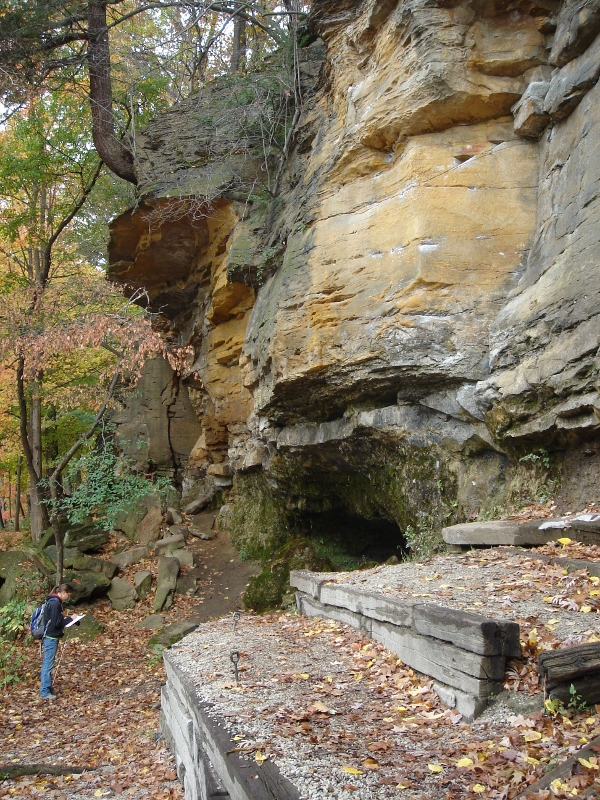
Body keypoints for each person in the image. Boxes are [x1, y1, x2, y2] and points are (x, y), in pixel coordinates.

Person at [39, 583, 79, 700]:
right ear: (64, 592)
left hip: (50, 636)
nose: (68, 598)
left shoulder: (52, 601)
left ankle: (47, 688)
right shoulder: (55, 603)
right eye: (69, 595)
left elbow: (56, 620)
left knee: (48, 663)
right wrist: (70, 619)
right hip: (51, 637)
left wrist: (69, 620)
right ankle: (44, 692)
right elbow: (57, 623)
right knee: (48, 664)